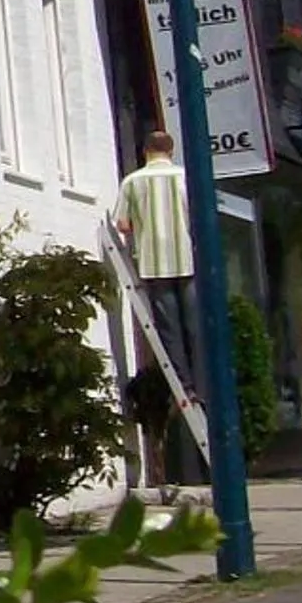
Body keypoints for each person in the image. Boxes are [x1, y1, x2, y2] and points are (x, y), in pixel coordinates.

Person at [114, 130, 194, 491]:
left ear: (145, 150)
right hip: (186, 259)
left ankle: (183, 382)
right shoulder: (184, 177)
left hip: (154, 263)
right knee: (193, 324)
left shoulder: (133, 182)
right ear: (171, 151)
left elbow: (123, 224)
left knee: (169, 327)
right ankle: (199, 382)